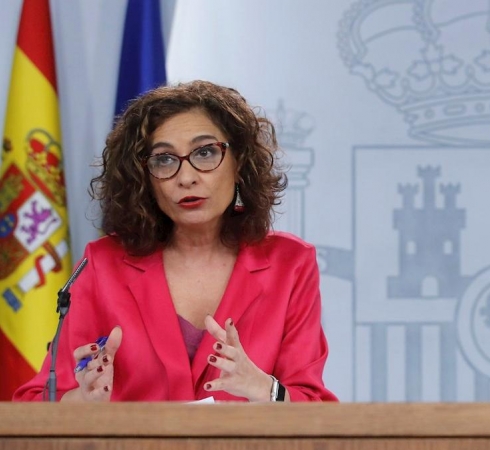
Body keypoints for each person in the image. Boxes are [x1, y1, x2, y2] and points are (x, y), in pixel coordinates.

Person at [14, 80, 337, 402]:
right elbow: (35, 402)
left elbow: (315, 407)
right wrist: (80, 401)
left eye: (206, 152)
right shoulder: (103, 263)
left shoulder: (289, 262)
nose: (186, 177)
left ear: (239, 163)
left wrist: (265, 390)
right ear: (145, 178)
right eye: (164, 159)